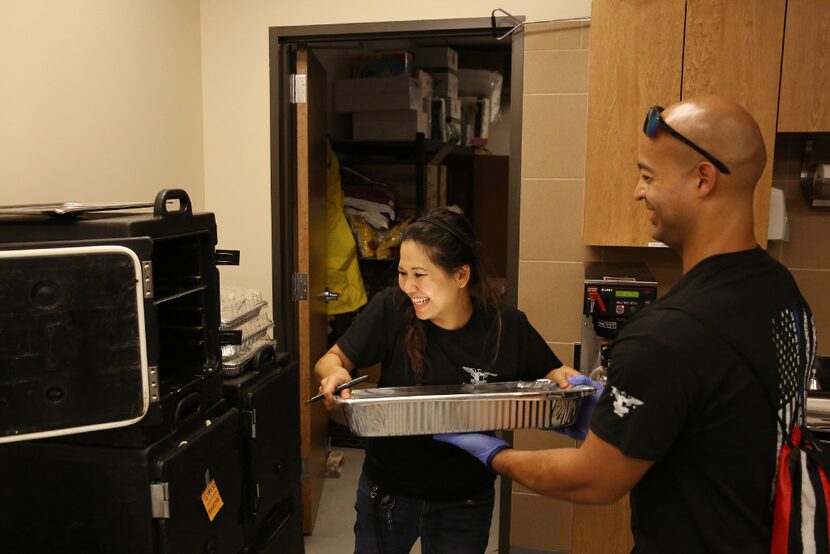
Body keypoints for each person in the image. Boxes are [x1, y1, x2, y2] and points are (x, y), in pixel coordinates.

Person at [436, 96, 817, 552]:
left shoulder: (668, 332)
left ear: (703, 179)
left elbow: (592, 482)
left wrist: (495, 453)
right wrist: (635, 410)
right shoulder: (780, 290)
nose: (638, 192)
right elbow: (723, 418)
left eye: (648, 176)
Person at [314, 206, 586, 554]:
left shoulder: (506, 327)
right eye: (402, 273)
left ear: (460, 276)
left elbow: (551, 373)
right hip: (390, 491)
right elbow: (331, 359)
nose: (409, 286)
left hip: (465, 499)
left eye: (420, 274)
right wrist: (335, 373)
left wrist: (564, 376)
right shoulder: (391, 309)